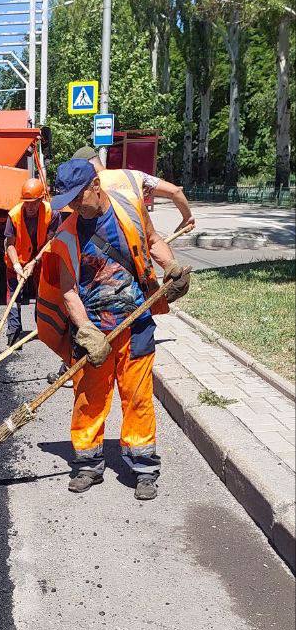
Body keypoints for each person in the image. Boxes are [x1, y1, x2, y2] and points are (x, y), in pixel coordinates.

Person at [39, 158, 191, 500]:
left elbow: (152, 240)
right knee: (90, 397)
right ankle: (88, 464)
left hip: (135, 323)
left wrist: (171, 265)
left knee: (137, 396)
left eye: (79, 198)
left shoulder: (128, 208)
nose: (75, 207)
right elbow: (67, 290)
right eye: (69, 202)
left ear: (96, 185)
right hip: (94, 330)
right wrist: (85, 330)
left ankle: (143, 467)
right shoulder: (65, 235)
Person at [72, 144, 194, 231]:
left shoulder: (89, 188)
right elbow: (175, 191)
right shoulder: (133, 176)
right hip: (139, 238)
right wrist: (187, 218)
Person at [3, 178, 52, 345]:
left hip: (41, 260)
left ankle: (43, 330)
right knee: (13, 295)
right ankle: (14, 333)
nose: (29, 207)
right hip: (17, 259)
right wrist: (17, 266)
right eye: (26, 202)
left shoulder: (52, 213)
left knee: (43, 293)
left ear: (41, 199)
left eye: (33, 203)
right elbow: (10, 244)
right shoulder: (14, 215)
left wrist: (35, 262)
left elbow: (51, 242)